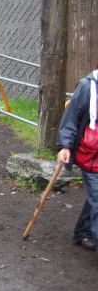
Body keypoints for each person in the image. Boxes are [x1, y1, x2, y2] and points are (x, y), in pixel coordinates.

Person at [57, 68, 98, 252]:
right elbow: (71, 118)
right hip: (91, 157)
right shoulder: (86, 86)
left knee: (95, 199)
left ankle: (83, 232)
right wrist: (65, 146)